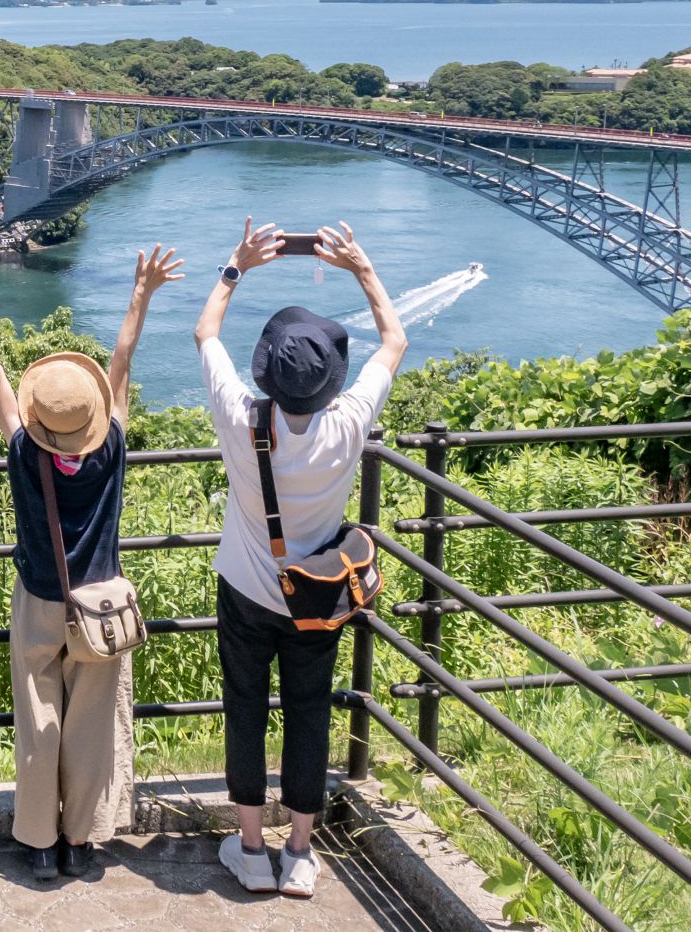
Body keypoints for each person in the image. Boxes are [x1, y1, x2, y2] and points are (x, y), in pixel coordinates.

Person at [0, 244, 184, 881]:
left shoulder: (22, 452)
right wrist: (140, 293)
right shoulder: (111, 450)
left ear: (38, 420)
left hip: (41, 598)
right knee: (92, 725)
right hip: (101, 607)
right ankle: (81, 842)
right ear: (94, 419)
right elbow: (121, 361)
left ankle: (38, 844)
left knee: (38, 721)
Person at [194, 219, 406, 899]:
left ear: (269, 375)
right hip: (315, 599)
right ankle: (300, 854)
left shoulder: (241, 418)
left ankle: (249, 849)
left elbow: (204, 335)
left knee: (245, 709)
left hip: (246, 591)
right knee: (309, 713)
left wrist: (235, 266)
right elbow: (395, 341)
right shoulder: (346, 424)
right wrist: (360, 267)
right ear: (328, 380)